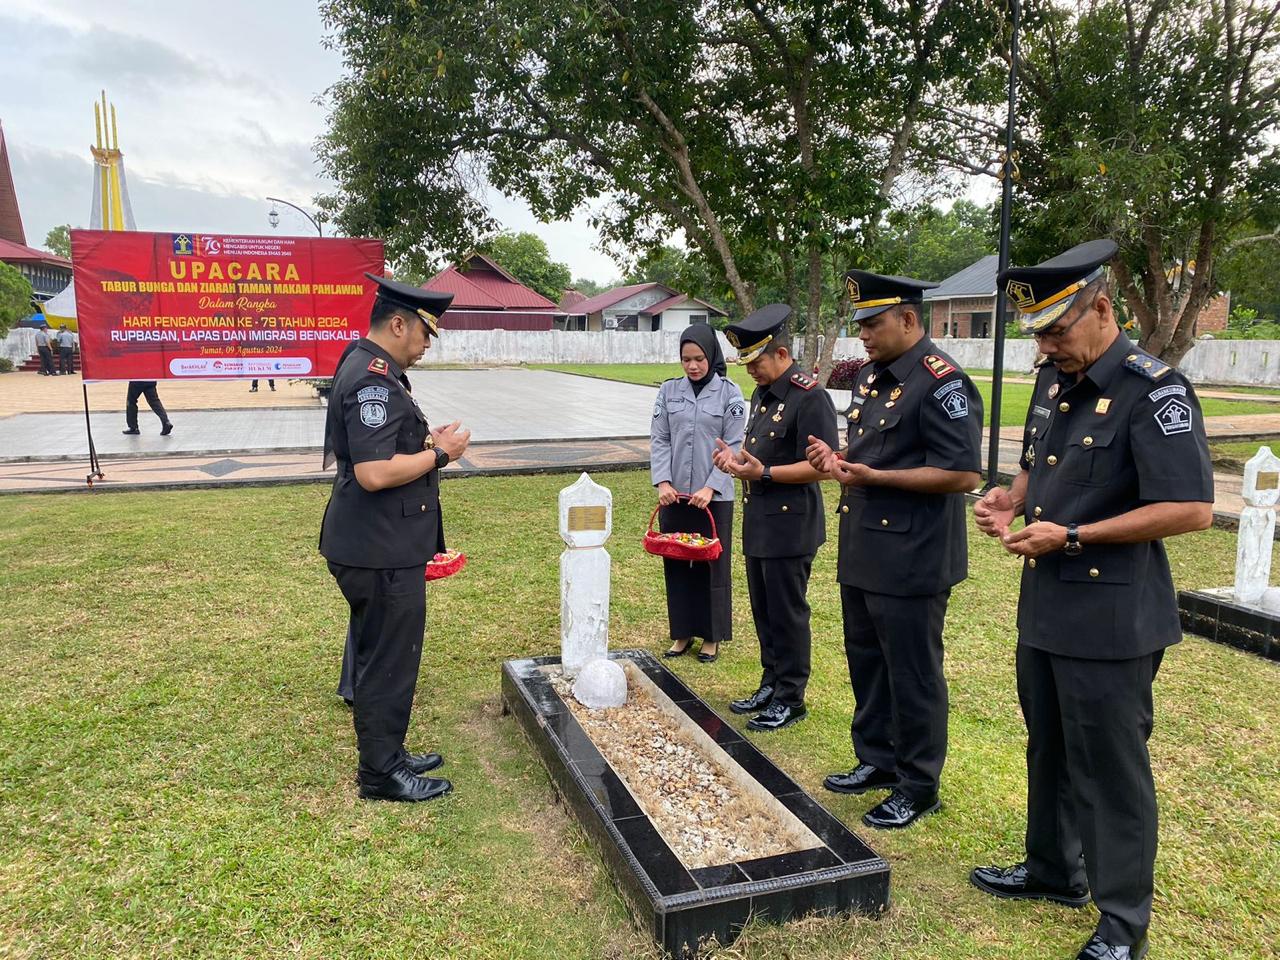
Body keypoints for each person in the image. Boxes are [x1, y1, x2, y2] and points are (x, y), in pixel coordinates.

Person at [969, 240, 1213, 960]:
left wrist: (1073, 533)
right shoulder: (1056, 379)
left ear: (1103, 309)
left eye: (1056, 330)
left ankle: (1122, 922)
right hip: (1047, 605)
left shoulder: (1155, 390)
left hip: (1113, 618)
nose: (1044, 348)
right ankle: (1052, 870)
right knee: (1048, 746)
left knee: (1109, 768)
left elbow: (1192, 508)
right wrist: (1007, 502)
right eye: (1037, 335)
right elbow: (1039, 466)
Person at [805, 270, 983, 830]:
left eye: (874, 323)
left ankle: (918, 783)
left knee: (913, 673)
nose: (864, 334)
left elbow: (961, 472)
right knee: (867, 660)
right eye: (861, 324)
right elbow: (867, 456)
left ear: (909, 319)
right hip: (864, 548)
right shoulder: (872, 378)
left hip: (913, 556)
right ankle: (876, 759)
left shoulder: (942, 382)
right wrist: (836, 464)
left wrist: (875, 477)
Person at [319, 273, 471, 803]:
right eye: (425, 332)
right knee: (389, 660)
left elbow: (382, 447)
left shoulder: (370, 367)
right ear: (398, 323)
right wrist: (442, 454)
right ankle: (381, 774)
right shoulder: (371, 380)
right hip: (377, 548)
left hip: (378, 543)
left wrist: (427, 440)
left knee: (382, 651)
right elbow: (374, 472)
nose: (427, 344)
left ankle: (390, 752)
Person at [712, 304, 837, 732]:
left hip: (791, 522)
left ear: (781, 355)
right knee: (764, 610)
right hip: (760, 518)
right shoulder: (763, 396)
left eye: (757, 362)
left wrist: (762, 472)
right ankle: (771, 680)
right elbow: (759, 453)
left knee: (787, 612)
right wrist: (736, 461)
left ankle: (791, 696)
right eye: (746, 364)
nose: (752, 371)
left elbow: (822, 466)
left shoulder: (810, 396)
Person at [650, 323, 746, 663]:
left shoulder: (730, 394)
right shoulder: (668, 392)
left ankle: (711, 636)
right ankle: (682, 633)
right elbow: (660, 438)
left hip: (713, 498)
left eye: (699, 359)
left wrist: (711, 486)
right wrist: (662, 481)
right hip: (673, 496)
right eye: (686, 359)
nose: (692, 366)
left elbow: (733, 445)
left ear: (712, 356)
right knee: (676, 563)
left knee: (712, 567)